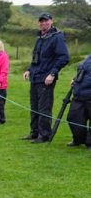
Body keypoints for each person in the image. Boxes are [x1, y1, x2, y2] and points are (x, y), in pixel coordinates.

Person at [22, 13, 70, 144]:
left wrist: (53, 73)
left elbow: (64, 57)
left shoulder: (57, 37)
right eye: (41, 21)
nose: (43, 23)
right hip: (35, 77)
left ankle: (44, 135)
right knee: (34, 106)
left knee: (44, 107)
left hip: (46, 78)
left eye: (46, 21)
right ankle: (34, 132)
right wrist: (28, 69)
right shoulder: (40, 37)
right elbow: (35, 58)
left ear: (51, 21)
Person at [66, 54, 91, 148]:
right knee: (73, 117)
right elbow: (82, 71)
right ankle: (79, 139)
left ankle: (90, 143)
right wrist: (75, 79)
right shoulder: (88, 58)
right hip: (79, 94)